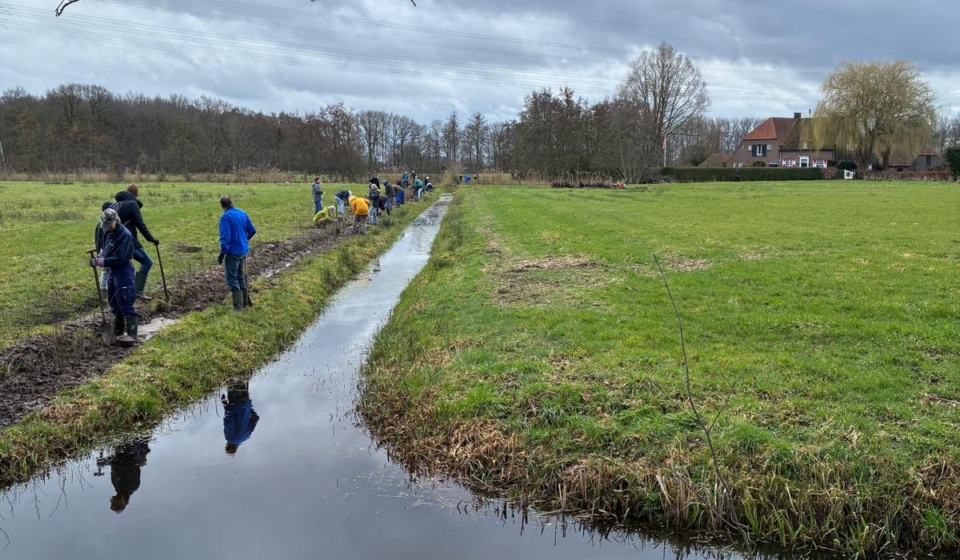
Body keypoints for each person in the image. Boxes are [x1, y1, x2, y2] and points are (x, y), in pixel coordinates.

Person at [90, 208, 139, 344]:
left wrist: (100, 262)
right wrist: (102, 253)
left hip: (123, 270)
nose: (107, 228)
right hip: (112, 271)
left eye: (109, 225)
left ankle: (132, 335)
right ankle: (118, 331)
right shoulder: (107, 232)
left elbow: (120, 258)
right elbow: (106, 246)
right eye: (105, 226)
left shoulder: (125, 235)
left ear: (116, 220)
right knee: (114, 301)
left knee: (125, 300)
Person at [113, 184, 159, 301]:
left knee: (120, 267)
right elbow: (140, 224)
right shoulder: (132, 204)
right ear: (135, 195)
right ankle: (137, 291)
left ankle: (120, 294)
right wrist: (151, 239)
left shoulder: (115, 205)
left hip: (114, 243)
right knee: (147, 261)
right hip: (129, 241)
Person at [217, 195, 257, 312]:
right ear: (232, 202)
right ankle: (244, 303)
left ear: (222, 206)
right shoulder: (242, 213)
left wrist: (222, 253)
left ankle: (237, 308)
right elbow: (252, 230)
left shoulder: (225, 217)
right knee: (240, 276)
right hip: (243, 250)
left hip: (233, 252)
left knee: (232, 278)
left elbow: (225, 237)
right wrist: (244, 240)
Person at [96, 438, 151, 513]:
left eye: (114, 500)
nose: (115, 499)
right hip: (131, 450)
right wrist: (107, 461)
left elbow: (115, 466)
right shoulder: (133, 485)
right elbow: (128, 464)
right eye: (116, 501)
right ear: (123, 503)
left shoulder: (115, 484)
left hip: (120, 452)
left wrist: (105, 460)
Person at [222, 382, 259, 455]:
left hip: (246, 400)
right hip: (235, 404)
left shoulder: (246, 437)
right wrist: (225, 404)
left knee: (242, 378)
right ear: (227, 445)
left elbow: (255, 418)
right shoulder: (230, 438)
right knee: (233, 380)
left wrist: (248, 408)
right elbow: (229, 421)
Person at [93, 200, 114, 291]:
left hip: (101, 250)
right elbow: (102, 239)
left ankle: (104, 290)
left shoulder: (100, 223)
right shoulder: (104, 225)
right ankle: (105, 291)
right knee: (106, 271)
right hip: (104, 250)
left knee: (105, 271)